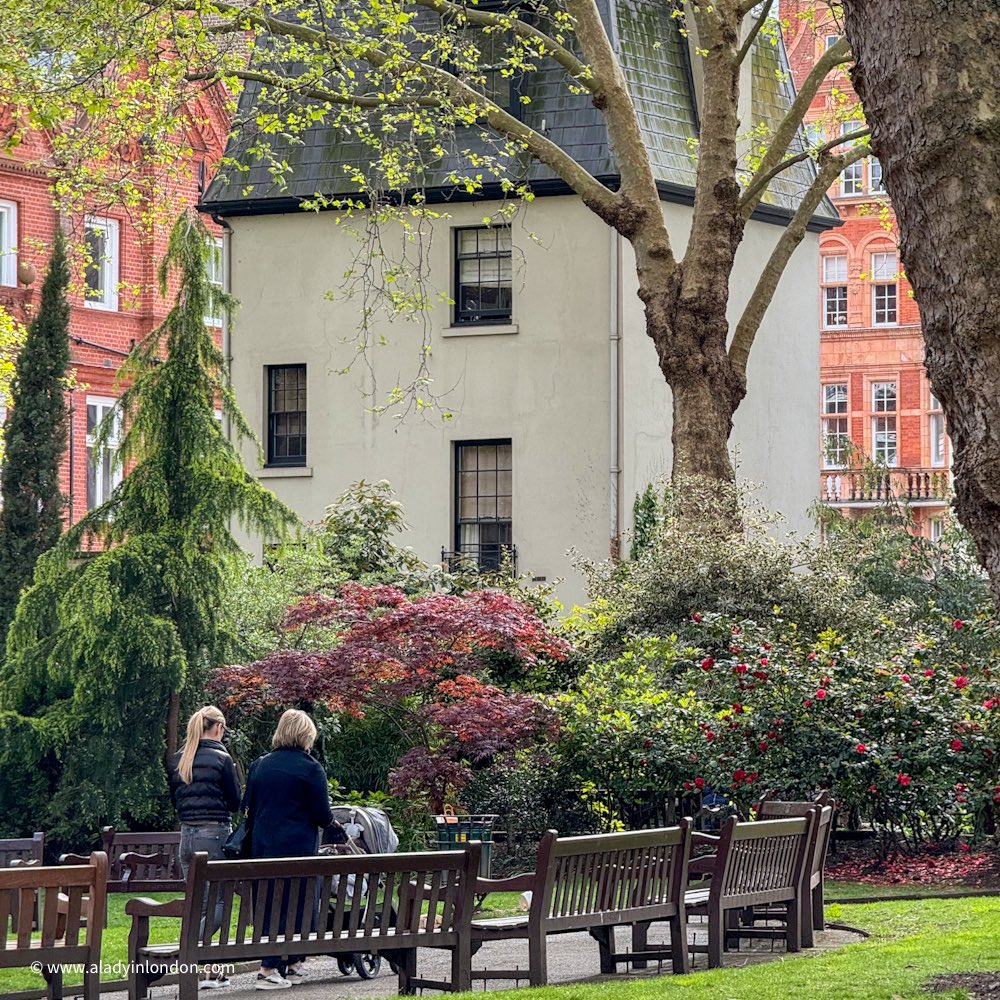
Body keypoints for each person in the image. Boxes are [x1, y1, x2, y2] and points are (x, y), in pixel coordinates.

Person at [244, 709, 333, 991]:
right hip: (298, 849)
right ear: (306, 734)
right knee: (301, 903)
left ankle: (283, 963)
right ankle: (273, 967)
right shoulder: (311, 768)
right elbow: (321, 814)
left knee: (269, 904)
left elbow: (249, 806)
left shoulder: (260, 765)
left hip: (264, 847)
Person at [169, 705, 241, 990]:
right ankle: (187, 954)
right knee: (220, 902)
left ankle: (210, 973)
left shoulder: (178, 759)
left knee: (198, 904)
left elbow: (175, 801)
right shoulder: (222, 759)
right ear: (219, 728)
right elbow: (235, 802)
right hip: (213, 834)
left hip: (186, 838)